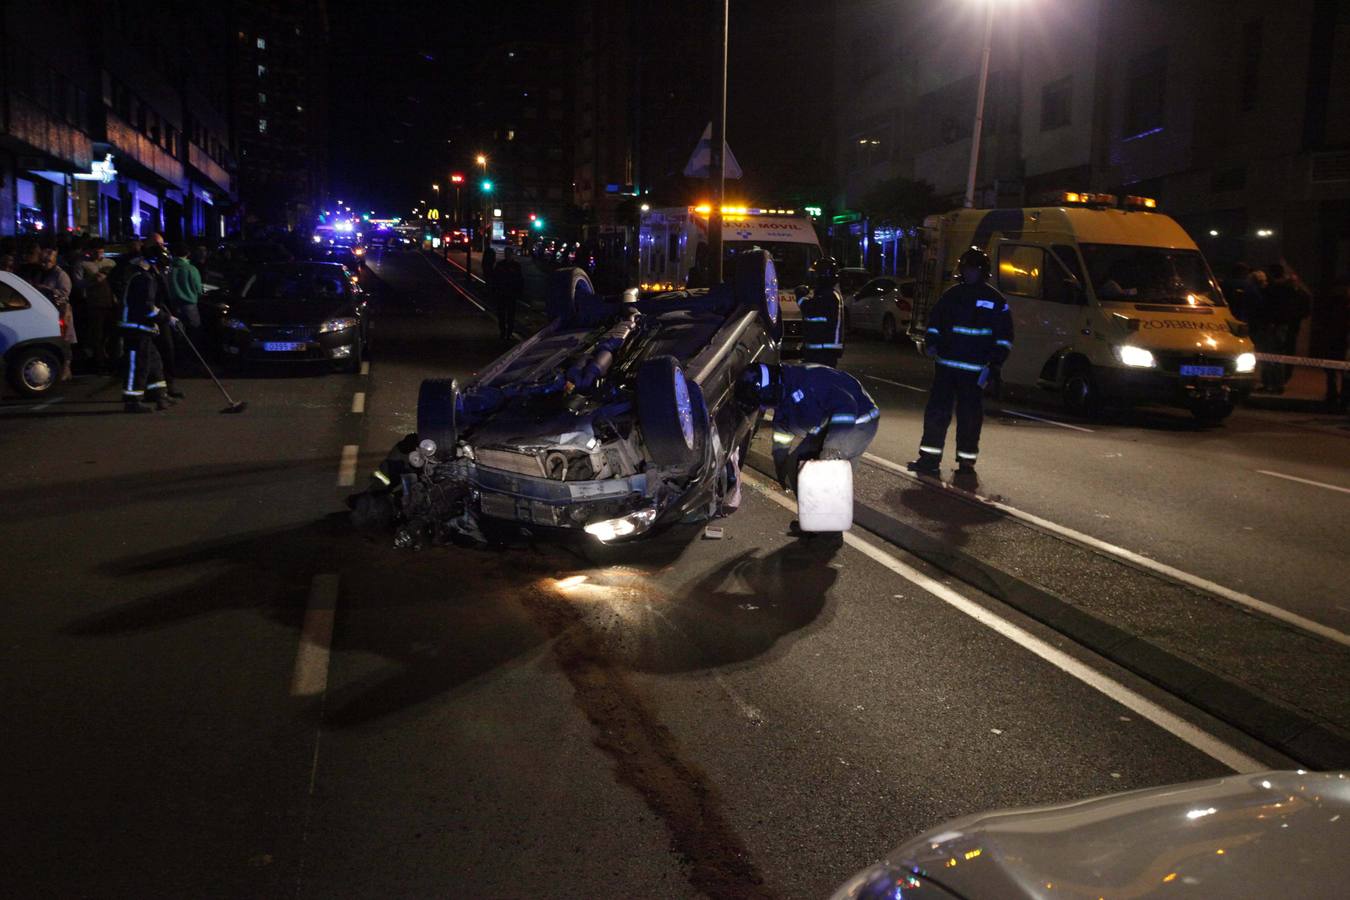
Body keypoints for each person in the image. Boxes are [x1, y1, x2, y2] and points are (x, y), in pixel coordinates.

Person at [735, 362, 879, 535]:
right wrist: (781, 462)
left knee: (825, 473)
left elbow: (846, 410)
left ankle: (829, 535)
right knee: (798, 464)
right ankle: (814, 522)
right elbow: (782, 429)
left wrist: (832, 449)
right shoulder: (784, 391)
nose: (767, 407)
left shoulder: (810, 382)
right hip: (828, 424)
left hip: (858, 422)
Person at [908, 247, 1014, 475]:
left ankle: (966, 461)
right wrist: (932, 341)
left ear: (982, 271)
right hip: (946, 368)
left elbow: (1004, 337)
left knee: (970, 418)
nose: (970, 273)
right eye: (967, 269)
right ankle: (929, 459)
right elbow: (935, 323)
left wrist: (995, 362)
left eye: (974, 269)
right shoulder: (951, 296)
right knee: (937, 414)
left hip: (975, 372)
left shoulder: (996, 300)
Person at [119, 253, 174, 413]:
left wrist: (165, 316)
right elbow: (147, 308)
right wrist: (165, 318)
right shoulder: (145, 279)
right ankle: (132, 401)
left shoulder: (141, 277)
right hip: (136, 328)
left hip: (143, 329)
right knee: (137, 365)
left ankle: (159, 394)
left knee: (154, 362)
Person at [34, 248, 77, 381]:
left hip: (60, 311)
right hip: (44, 311)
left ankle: (66, 367)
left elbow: (65, 294)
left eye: (48, 261)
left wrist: (48, 290)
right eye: (42, 261)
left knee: (64, 340)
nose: (44, 264)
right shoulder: (39, 273)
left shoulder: (60, 275)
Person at [78, 241, 119, 374]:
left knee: (113, 334)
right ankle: (99, 363)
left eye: (101, 251)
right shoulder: (83, 264)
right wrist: (92, 281)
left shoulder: (110, 263)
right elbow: (78, 284)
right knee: (97, 335)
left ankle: (114, 361)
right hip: (94, 303)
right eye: (96, 251)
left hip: (111, 303)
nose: (98, 254)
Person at [800, 256, 845, 366]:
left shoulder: (828, 295)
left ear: (822, 276)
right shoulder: (825, 294)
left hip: (823, 352)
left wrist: (800, 297)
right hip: (820, 350)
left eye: (815, 274)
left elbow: (810, 310)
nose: (813, 278)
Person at [166, 241, 204, 345]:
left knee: (178, 333)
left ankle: (181, 356)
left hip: (173, 306)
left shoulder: (169, 269)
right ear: (188, 253)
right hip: (190, 307)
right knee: (194, 332)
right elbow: (198, 290)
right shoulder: (192, 269)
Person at [489, 246, 524, 341]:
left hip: (510, 294)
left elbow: (519, 280)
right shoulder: (502, 265)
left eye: (509, 254)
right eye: (506, 254)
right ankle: (504, 331)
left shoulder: (514, 266)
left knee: (510, 315)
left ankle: (508, 332)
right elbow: (495, 278)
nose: (507, 255)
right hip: (503, 293)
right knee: (502, 314)